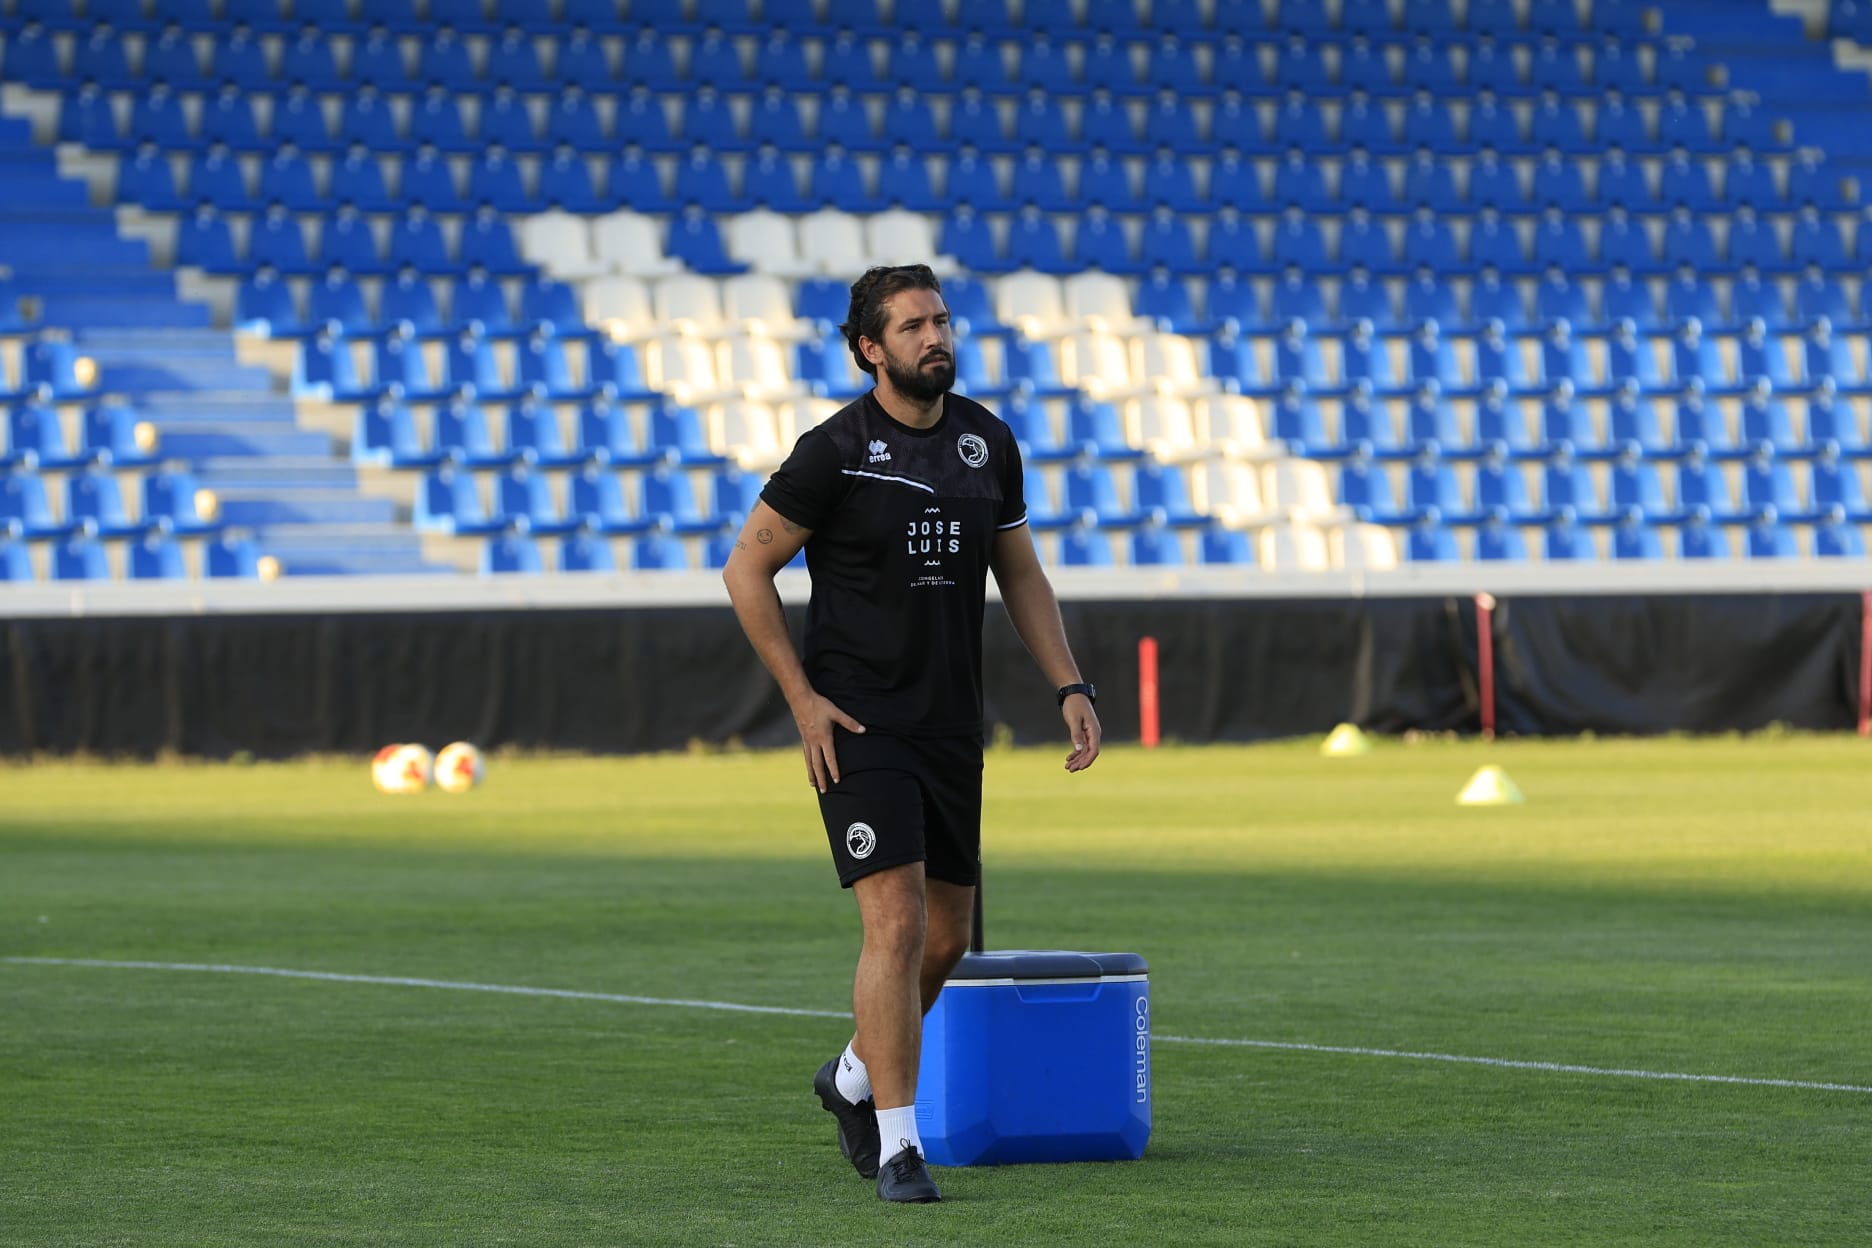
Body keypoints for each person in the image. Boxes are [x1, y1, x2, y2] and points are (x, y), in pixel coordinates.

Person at [722, 265, 1101, 1203]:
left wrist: (1069, 683)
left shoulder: (987, 442)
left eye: (940, 320)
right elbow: (745, 570)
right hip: (858, 723)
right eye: (913, 326)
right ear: (869, 349)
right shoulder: (834, 451)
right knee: (895, 925)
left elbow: (1021, 575)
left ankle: (850, 1078)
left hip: (948, 726)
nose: (936, 336)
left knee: (948, 939)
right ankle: (899, 1145)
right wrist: (804, 701)